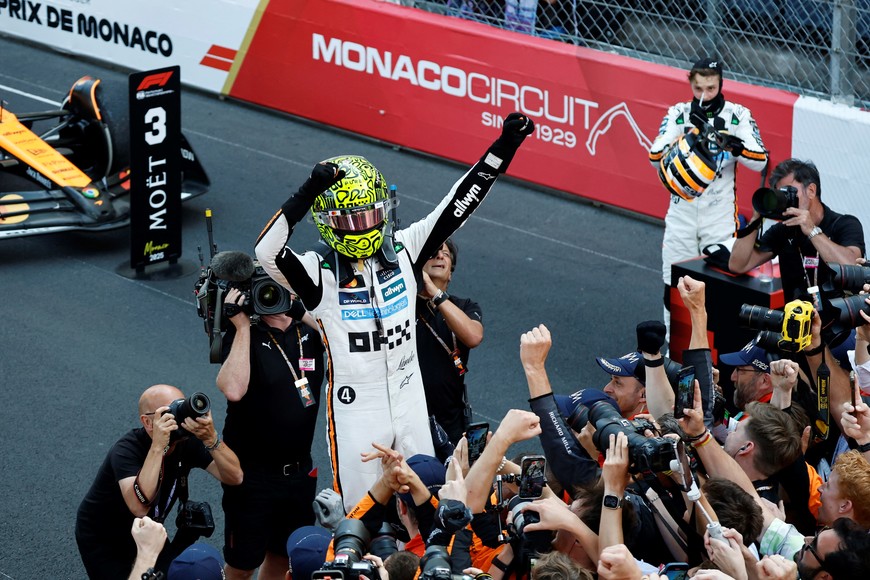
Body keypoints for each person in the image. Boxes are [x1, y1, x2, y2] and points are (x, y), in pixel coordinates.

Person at [255, 112, 534, 511]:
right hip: (357, 408)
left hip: (410, 396)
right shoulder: (318, 272)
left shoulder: (406, 248)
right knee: (362, 514)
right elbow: (266, 252)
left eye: (372, 214)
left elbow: (458, 202)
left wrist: (505, 145)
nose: (365, 225)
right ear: (329, 221)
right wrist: (310, 188)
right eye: (353, 218)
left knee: (429, 502)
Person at [649, 57, 768, 336]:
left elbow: (761, 160)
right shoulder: (678, 113)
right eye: (699, 88)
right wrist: (690, 140)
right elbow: (654, 155)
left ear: (721, 83)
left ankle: (713, 352)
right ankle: (673, 347)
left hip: (719, 219)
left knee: (718, 289)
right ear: (691, 82)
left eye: (711, 88)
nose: (704, 95)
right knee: (672, 287)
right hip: (681, 215)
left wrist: (731, 147)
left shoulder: (738, 115)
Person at [75, 384, 243, 580]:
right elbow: (139, 507)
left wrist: (211, 438)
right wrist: (158, 446)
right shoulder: (126, 450)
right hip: (105, 538)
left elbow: (234, 476)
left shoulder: (186, 443)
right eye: (169, 412)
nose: (178, 418)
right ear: (148, 422)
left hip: (150, 533)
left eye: (180, 407)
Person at [216, 286, 325, 580]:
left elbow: (343, 340)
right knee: (243, 563)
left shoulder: (310, 330)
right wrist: (240, 326)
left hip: (299, 474)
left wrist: (300, 309)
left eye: (281, 286)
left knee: (282, 555)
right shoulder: (245, 335)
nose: (273, 295)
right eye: (266, 290)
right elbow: (233, 390)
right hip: (252, 477)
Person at [729, 158, 865, 305]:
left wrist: (812, 230)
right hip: (797, 322)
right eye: (780, 194)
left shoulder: (845, 224)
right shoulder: (783, 230)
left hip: (841, 322)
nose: (785, 199)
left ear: (811, 191)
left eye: (789, 192)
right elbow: (737, 264)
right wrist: (755, 219)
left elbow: (852, 267)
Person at [416, 237, 484, 444]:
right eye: (433, 253)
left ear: (450, 274)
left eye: (445, 254)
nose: (439, 255)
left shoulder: (466, 306)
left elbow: (473, 336)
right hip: (408, 417)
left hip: (450, 421)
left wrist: (435, 294)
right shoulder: (401, 304)